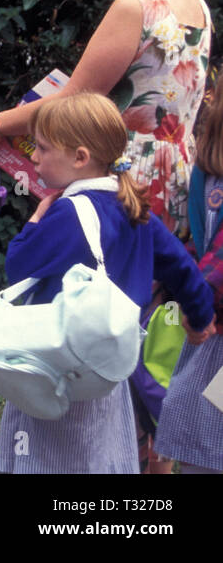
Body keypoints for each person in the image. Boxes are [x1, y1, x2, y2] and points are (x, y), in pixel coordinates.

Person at [0, 93, 215, 474]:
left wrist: (34, 222)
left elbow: (18, 267)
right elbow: (180, 264)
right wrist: (199, 316)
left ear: (80, 157)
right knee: (98, 452)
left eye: (43, 149)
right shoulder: (133, 207)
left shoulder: (66, 213)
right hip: (109, 371)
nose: (34, 158)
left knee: (48, 455)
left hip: (58, 367)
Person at [0, 0, 211, 236]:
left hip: (126, 178)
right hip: (180, 178)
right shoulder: (199, 6)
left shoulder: (136, 6)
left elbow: (73, 101)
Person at [147, 85, 223, 474]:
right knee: (202, 440)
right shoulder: (208, 176)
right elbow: (205, 244)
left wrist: (196, 302)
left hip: (213, 330)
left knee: (204, 444)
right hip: (212, 334)